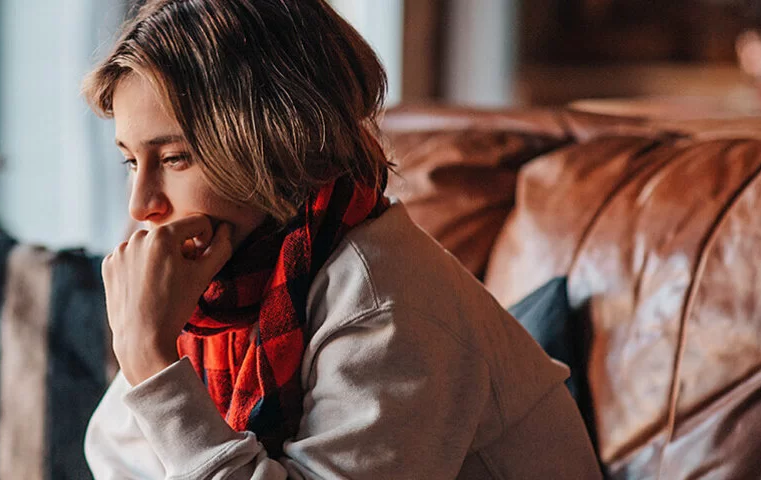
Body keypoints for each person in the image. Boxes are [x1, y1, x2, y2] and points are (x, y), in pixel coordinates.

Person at [81, 0, 603, 478]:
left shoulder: (384, 300)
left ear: (276, 141)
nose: (140, 205)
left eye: (174, 158)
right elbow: (116, 458)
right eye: (131, 161)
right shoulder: (227, 292)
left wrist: (150, 363)